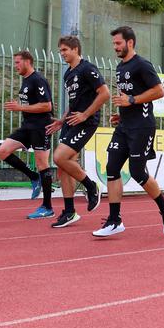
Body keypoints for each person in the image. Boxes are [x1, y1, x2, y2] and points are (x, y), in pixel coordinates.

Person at [92, 26, 164, 237]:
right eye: (114, 44)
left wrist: (132, 100)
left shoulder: (142, 64)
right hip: (124, 126)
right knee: (112, 167)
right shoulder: (120, 67)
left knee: (138, 172)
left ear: (130, 43)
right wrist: (122, 114)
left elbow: (158, 91)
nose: (115, 47)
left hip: (142, 126)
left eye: (118, 43)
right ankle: (114, 220)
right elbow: (129, 97)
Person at [46, 36, 110, 228]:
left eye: (65, 50)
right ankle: (69, 211)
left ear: (75, 49)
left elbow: (105, 93)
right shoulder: (68, 74)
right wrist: (62, 119)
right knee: (63, 166)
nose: (62, 53)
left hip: (86, 122)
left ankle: (91, 186)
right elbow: (73, 103)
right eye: (60, 51)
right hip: (71, 122)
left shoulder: (87, 68)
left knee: (59, 157)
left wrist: (85, 115)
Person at [0, 51, 54, 219]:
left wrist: (20, 108)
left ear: (28, 62)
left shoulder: (38, 79)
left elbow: (47, 106)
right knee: (2, 151)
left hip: (40, 128)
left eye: (17, 62)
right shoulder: (26, 80)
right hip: (27, 127)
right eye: (15, 63)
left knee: (42, 164)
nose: (15, 66)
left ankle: (48, 207)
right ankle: (33, 176)